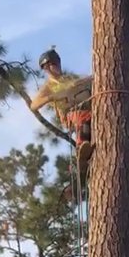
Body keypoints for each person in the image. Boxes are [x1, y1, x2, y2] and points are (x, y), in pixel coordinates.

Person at [30, 49, 93, 182]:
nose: (57, 66)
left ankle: (88, 150)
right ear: (46, 68)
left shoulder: (69, 78)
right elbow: (33, 105)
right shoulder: (49, 86)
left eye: (57, 62)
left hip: (87, 110)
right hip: (70, 114)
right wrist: (51, 97)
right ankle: (81, 150)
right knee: (81, 116)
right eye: (53, 64)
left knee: (88, 117)